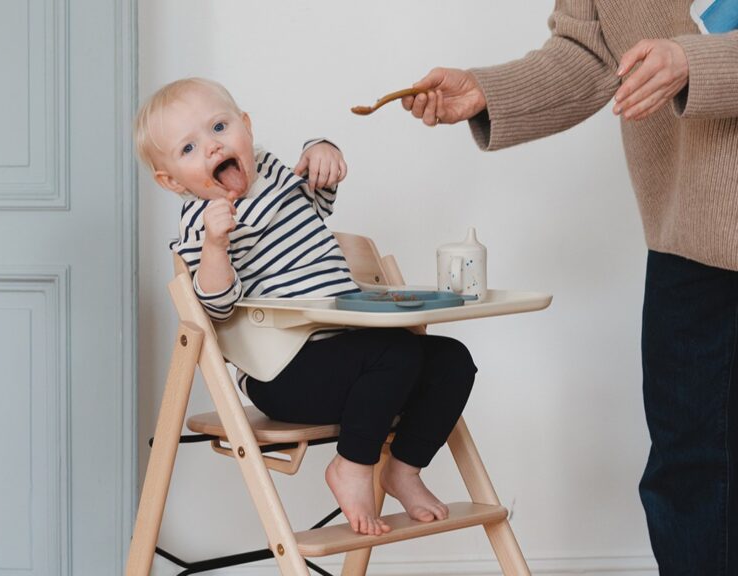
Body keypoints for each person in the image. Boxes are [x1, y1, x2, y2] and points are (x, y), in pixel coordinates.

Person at [400, 2, 738, 573]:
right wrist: (489, 90)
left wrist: (699, 61)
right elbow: (591, 51)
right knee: (690, 468)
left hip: (693, 221)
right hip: (691, 228)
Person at [134, 77, 478, 536]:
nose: (214, 148)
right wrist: (216, 248)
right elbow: (215, 307)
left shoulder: (274, 171)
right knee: (394, 354)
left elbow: (318, 192)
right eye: (189, 148)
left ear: (247, 127)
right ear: (171, 180)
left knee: (452, 359)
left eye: (219, 127)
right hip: (285, 371)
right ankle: (352, 467)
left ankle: (404, 468)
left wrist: (323, 151)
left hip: (349, 349)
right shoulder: (202, 221)